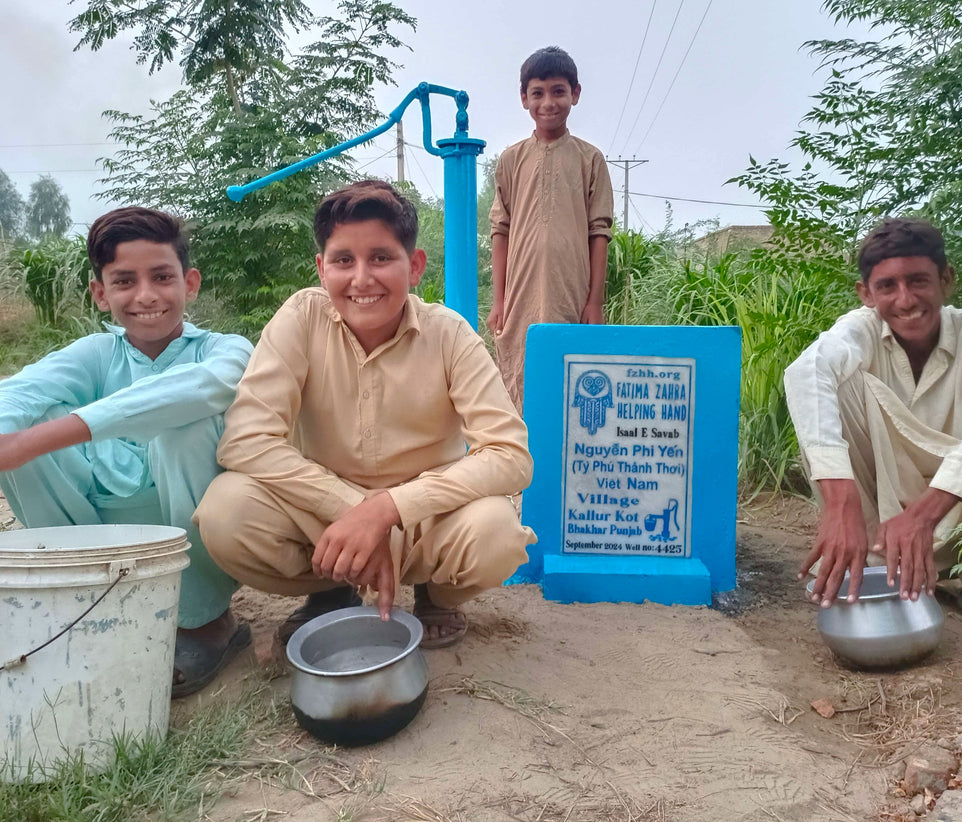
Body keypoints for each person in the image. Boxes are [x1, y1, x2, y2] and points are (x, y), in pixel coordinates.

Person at [195, 180, 536, 649]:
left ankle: (436, 594)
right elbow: (245, 441)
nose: (361, 279)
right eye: (343, 260)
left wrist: (389, 508)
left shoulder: (450, 334)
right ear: (321, 268)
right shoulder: (300, 319)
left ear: (414, 266)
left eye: (380, 258)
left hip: (426, 521)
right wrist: (353, 511)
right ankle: (331, 587)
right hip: (324, 518)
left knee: (498, 533)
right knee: (225, 512)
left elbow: (511, 455)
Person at [0, 207, 254, 694]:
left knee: (184, 426)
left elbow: (201, 389)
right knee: (25, 419)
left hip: (192, 515)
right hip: (100, 517)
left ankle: (204, 621)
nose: (145, 296)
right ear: (101, 293)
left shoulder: (224, 349)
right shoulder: (97, 354)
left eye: (162, 277)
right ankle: (85, 598)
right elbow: (21, 391)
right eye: (123, 281)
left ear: (190, 282)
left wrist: (42, 438)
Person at [785, 217, 962, 643]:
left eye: (918, 281)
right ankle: (868, 561)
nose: (906, 300)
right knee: (832, 383)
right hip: (884, 521)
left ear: (946, 280)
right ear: (866, 293)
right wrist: (841, 503)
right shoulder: (860, 330)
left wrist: (924, 514)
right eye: (888, 287)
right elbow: (807, 372)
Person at [487, 45, 614, 412]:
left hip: (570, 292)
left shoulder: (590, 159)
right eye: (538, 93)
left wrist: (594, 301)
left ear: (575, 93)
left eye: (558, 91)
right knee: (520, 383)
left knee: (571, 384)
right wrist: (499, 300)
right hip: (519, 294)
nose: (548, 102)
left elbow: (599, 232)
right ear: (524, 98)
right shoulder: (512, 159)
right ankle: (524, 467)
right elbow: (500, 229)